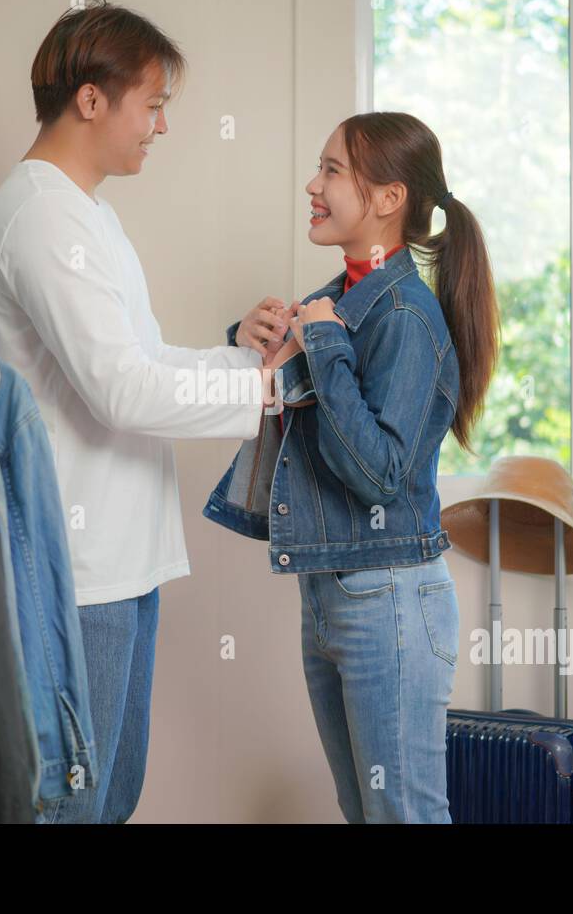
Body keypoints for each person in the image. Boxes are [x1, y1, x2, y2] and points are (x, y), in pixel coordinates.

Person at [0, 0, 293, 823]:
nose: (159, 125)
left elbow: (141, 361)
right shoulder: (42, 216)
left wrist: (243, 360)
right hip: (79, 567)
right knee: (75, 803)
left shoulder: (86, 215)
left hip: (119, 557)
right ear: (91, 99)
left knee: (110, 794)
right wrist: (263, 389)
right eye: (151, 104)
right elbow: (121, 390)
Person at [207, 111, 500, 822]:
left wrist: (326, 348)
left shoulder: (403, 314)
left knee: (403, 814)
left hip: (390, 600)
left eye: (332, 170)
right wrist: (252, 344)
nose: (313, 184)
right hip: (335, 594)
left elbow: (378, 474)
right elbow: (303, 419)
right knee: (369, 811)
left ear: (388, 198)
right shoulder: (339, 299)